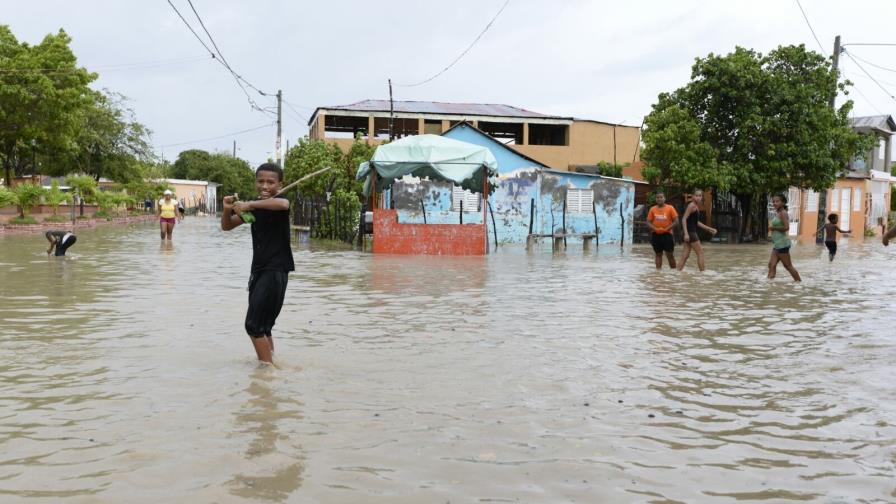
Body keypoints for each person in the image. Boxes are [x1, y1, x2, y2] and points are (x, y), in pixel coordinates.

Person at [221, 163, 294, 364]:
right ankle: (271, 364)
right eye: (260, 181)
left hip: (275, 270)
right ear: (255, 182)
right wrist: (228, 209)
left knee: (253, 325)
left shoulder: (277, 202)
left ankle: (267, 371)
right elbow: (227, 227)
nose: (265, 186)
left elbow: (283, 205)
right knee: (264, 326)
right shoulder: (257, 208)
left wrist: (250, 204)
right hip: (259, 271)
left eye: (271, 182)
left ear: (280, 184)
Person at [677, 189, 717, 271]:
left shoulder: (695, 206)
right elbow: (684, 219)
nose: (698, 197)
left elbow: (697, 222)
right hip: (691, 233)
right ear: (692, 196)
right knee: (700, 253)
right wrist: (686, 234)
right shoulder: (692, 206)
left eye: (700, 196)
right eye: (696, 195)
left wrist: (709, 229)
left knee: (685, 255)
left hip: (690, 232)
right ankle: (702, 273)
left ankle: (677, 273)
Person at [767, 193, 801, 282]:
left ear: (783, 202)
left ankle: (799, 283)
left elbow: (786, 228)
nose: (774, 203)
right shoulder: (778, 212)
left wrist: (773, 228)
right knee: (771, 265)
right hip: (777, 244)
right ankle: (769, 284)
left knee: (788, 266)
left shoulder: (783, 213)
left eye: (777, 201)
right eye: (773, 201)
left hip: (782, 245)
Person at [646, 190, 679, 269]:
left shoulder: (670, 208)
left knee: (670, 255)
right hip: (655, 235)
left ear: (664, 198)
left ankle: (673, 273)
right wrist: (655, 229)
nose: (659, 199)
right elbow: (648, 222)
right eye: (657, 197)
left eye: (661, 197)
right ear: (655, 199)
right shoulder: (652, 209)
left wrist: (666, 229)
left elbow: (676, 221)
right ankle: (658, 273)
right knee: (658, 254)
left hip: (667, 235)